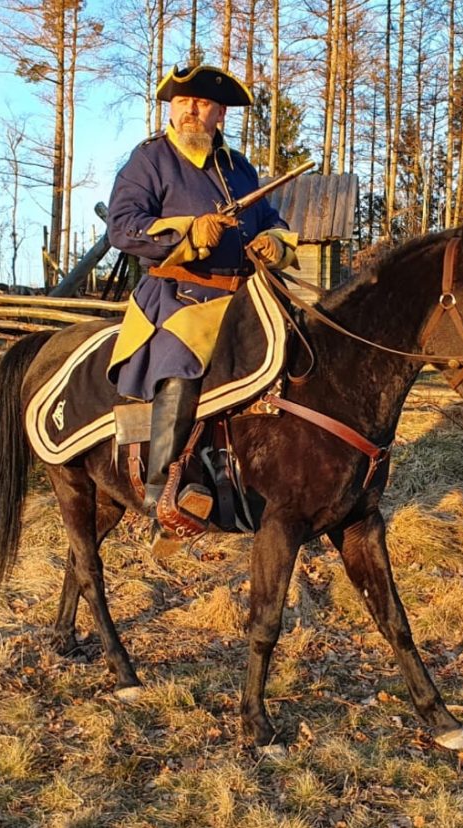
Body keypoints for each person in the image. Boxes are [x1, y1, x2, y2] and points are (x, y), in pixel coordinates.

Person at [106, 63, 297, 536]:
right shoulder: (149, 160)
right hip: (178, 295)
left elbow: (272, 219)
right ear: (172, 108)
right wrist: (190, 232)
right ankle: (160, 497)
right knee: (180, 363)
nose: (192, 110)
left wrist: (274, 243)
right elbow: (122, 225)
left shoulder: (240, 168)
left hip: (244, 298)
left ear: (220, 115)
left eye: (203, 103)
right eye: (184, 101)